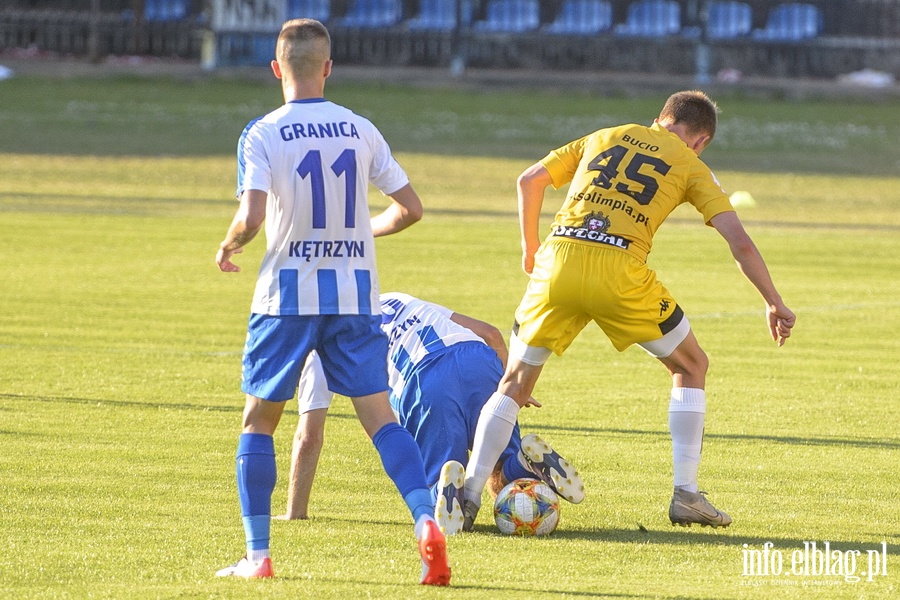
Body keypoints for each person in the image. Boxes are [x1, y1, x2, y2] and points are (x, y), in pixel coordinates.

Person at [458, 90, 796, 532]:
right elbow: (740, 241)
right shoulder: (692, 164)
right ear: (700, 141)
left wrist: (530, 250)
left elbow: (529, 180)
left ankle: (466, 496)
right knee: (691, 365)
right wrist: (773, 300)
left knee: (515, 383)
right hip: (619, 270)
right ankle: (686, 495)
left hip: (557, 261)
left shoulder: (605, 135)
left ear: (661, 118)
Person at [213, 19, 450, 585]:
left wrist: (229, 243)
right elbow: (412, 209)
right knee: (380, 419)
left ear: (276, 68)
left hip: (285, 300)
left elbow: (249, 216)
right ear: (328, 67)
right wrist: (364, 230)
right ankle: (424, 519)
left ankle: (258, 556)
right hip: (353, 297)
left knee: (259, 422)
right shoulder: (360, 129)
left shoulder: (262, 132)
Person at [277, 292, 584, 535]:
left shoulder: (320, 347)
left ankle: (444, 489)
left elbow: (308, 436)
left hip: (424, 383)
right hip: (477, 358)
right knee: (498, 468)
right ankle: (522, 462)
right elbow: (491, 333)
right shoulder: (395, 298)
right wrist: (513, 388)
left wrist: (296, 510)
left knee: (445, 495)